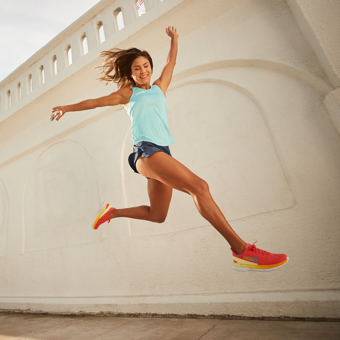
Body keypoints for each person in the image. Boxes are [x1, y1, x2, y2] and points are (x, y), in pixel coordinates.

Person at [52, 26, 288, 272]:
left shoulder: (159, 87)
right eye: (137, 68)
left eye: (146, 66)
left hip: (162, 152)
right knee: (200, 187)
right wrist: (67, 107)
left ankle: (111, 212)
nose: (143, 71)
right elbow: (94, 102)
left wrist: (175, 39)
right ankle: (242, 251)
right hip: (146, 152)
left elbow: (171, 62)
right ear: (130, 74)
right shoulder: (128, 94)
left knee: (158, 215)